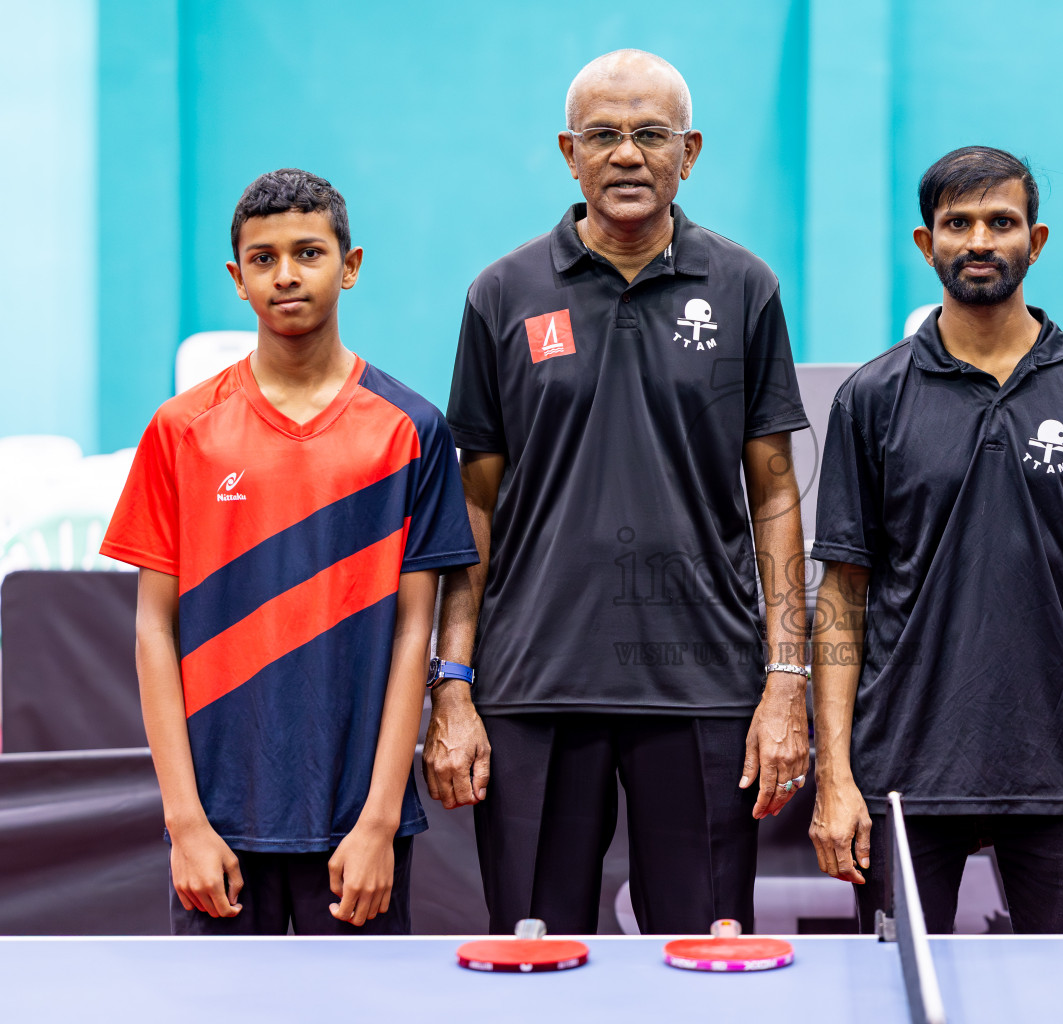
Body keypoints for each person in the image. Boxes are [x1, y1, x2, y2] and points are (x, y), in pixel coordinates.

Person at [425, 50, 811, 934]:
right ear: (570, 153)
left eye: (650, 134)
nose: (627, 155)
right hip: (532, 685)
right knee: (535, 959)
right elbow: (472, 504)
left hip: (706, 685)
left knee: (705, 959)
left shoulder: (746, 287)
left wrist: (786, 678)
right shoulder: (502, 294)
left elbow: (777, 495)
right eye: (603, 135)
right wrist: (453, 683)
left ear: (691, 150)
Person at [100, 169, 478, 934]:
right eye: (263, 259)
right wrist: (186, 824)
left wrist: (377, 822)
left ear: (351, 265)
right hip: (218, 834)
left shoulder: (411, 429)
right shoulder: (181, 430)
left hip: (357, 836)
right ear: (238, 279)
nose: (287, 275)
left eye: (308, 252)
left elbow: (416, 632)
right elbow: (152, 630)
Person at [809, 146, 1063, 935]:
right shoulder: (871, 397)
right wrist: (834, 772)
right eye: (957, 222)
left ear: (1035, 242)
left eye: (1000, 222)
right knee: (891, 998)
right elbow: (841, 596)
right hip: (901, 770)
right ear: (924, 242)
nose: (978, 240)